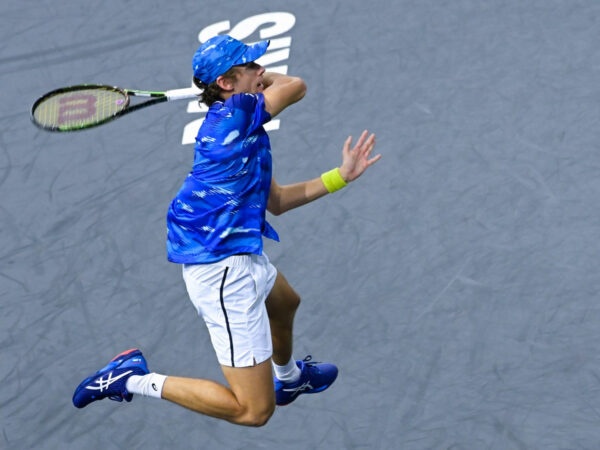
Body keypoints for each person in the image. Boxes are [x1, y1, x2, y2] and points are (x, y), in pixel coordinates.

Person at [72, 35, 381, 427]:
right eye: (251, 66)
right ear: (227, 84)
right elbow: (296, 86)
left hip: (235, 250)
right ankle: (131, 378)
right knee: (252, 410)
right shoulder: (236, 115)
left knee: (285, 303)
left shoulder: (241, 128)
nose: (262, 71)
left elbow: (279, 202)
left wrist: (341, 177)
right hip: (220, 269)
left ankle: (289, 380)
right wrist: (255, 84)